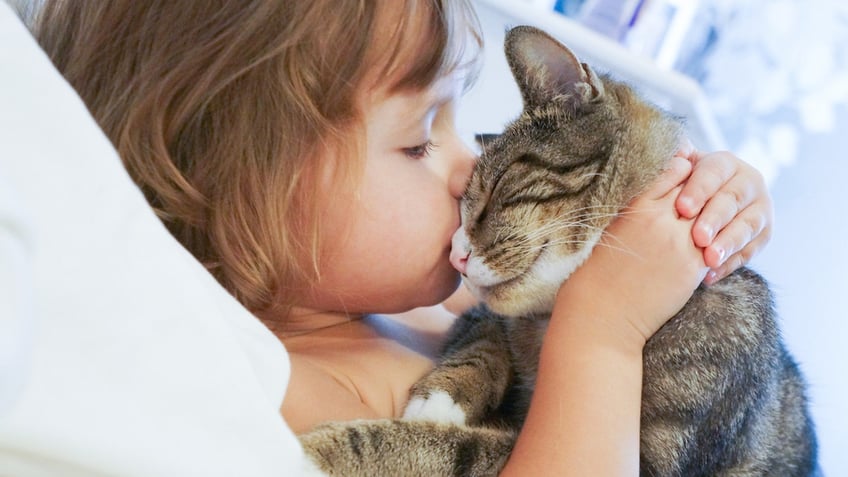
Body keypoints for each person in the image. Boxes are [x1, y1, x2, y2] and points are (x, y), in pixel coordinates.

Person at [31, 1, 773, 475]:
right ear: (255, 183)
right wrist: (602, 333)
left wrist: (712, 199)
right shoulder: (307, 386)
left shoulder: (419, 310)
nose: (471, 167)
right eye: (421, 141)